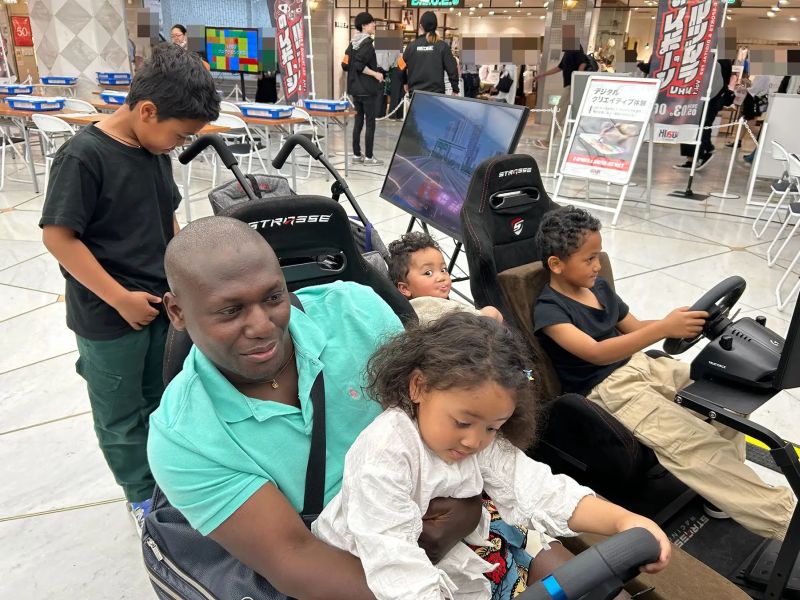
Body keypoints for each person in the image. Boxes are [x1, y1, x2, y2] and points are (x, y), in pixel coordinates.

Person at [148, 217, 490, 599]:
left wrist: (470, 502)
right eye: (231, 311)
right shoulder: (182, 438)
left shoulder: (357, 313)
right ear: (177, 312)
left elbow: (439, 418)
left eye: (273, 298)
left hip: (443, 520)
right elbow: (294, 557)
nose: (262, 326)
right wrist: (417, 584)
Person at [312, 312, 671, 599]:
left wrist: (623, 520)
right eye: (462, 422)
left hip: (453, 548)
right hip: (372, 563)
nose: (474, 441)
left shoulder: (476, 437)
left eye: (493, 427)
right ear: (419, 386)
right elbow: (395, 561)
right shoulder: (385, 454)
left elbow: (538, 489)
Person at [39, 44, 220, 533]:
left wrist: (184, 277)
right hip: (107, 315)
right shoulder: (84, 156)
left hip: (160, 304)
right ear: (147, 111)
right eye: (180, 135)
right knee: (120, 412)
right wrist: (118, 298)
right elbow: (58, 236)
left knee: (163, 398)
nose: (180, 145)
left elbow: (166, 219)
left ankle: (168, 479)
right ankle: (140, 494)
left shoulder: (152, 149)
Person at [533, 206, 797, 540]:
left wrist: (678, 323)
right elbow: (596, 353)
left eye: (598, 256)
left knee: (725, 400)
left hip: (644, 365)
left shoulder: (598, 288)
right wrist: (663, 329)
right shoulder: (550, 311)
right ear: (556, 264)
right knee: (695, 445)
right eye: (589, 259)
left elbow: (635, 328)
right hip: (610, 389)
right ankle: (788, 520)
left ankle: (722, 495)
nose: (598, 266)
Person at [387, 231, 503, 324]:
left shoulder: (407, 313)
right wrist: (492, 313)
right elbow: (479, 321)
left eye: (443, 270)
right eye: (428, 273)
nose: (441, 277)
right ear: (405, 288)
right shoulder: (433, 308)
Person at [342, 12, 384, 166]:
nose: (374, 25)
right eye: (371, 22)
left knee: (358, 121)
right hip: (367, 89)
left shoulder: (352, 44)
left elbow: (345, 64)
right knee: (370, 123)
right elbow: (359, 65)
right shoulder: (367, 44)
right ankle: (369, 157)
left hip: (355, 89)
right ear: (364, 26)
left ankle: (356, 155)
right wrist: (376, 74)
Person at [674, 59, 731, 172]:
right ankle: (700, 154)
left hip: (704, 101)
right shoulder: (709, 62)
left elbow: (716, 86)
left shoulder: (713, 63)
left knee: (697, 127)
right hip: (701, 100)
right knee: (696, 126)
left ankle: (700, 154)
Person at [530, 36, 589, 125]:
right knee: (565, 111)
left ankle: (551, 134)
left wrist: (577, 81)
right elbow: (559, 67)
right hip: (570, 85)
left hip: (572, 85)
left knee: (560, 111)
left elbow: (583, 63)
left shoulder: (576, 47)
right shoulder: (567, 52)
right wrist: (542, 75)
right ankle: (562, 132)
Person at [399, 11, 459, 96]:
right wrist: (455, 89)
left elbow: (400, 65)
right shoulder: (443, 46)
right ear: (436, 27)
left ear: (421, 26)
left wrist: (405, 82)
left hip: (416, 94)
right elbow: (452, 69)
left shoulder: (411, 46)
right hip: (436, 95)